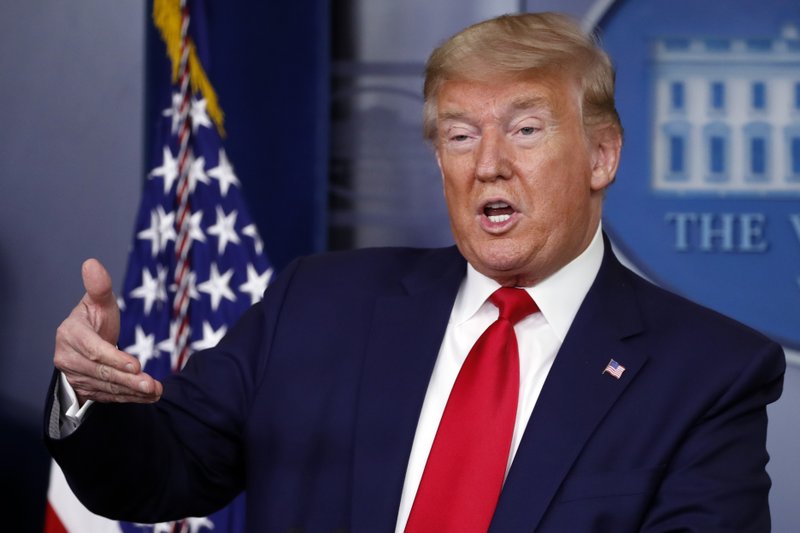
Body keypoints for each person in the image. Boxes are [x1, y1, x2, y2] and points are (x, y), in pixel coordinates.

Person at [45, 12, 785, 533]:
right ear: (439, 159)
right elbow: (160, 472)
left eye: (526, 129)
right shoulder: (317, 302)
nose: (488, 162)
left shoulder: (708, 374)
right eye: (461, 135)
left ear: (602, 156)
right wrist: (91, 394)